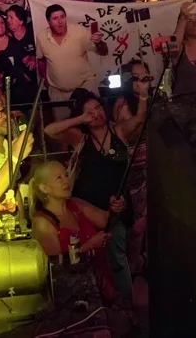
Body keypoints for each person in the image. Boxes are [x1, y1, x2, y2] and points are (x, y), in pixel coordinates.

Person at [42, 91, 134, 306]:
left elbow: (139, 120)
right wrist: (81, 119)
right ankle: (96, 305)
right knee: (92, 259)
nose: (96, 114)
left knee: (117, 259)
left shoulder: (117, 130)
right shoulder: (81, 138)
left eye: (98, 108)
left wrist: (142, 96)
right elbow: (49, 130)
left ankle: (125, 306)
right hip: (87, 208)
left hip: (117, 206)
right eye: (89, 112)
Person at [27, 160, 117, 302]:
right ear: (44, 188)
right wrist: (88, 246)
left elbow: (105, 219)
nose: (66, 181)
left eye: (66, 175)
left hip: (100, 281)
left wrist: (115, 207)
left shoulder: (76, 205)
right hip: (74, 294)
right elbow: (55, 268)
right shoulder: (43, 223)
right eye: (59, 178)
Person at [36, 5, 109, 104]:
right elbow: (40, 60)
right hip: (57, 92)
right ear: (48, 21)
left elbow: (103, 52)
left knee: (93, 117)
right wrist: (46, 82)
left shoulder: (79, 31)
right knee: (63, 120)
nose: (60, 21)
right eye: (55, 18)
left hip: (85, 86)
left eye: (62, 17)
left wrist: (99, 43)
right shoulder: (41, 37)